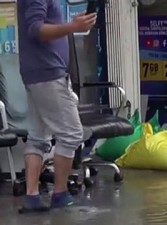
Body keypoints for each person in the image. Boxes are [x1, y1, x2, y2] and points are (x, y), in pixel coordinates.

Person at [17, 0, 96, 213]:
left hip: (38, 73)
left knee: (38, 136)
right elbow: (36, 29)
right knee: (71, 134)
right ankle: (59, 194)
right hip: (48, 73)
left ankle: (32, 197)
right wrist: (73, 27)